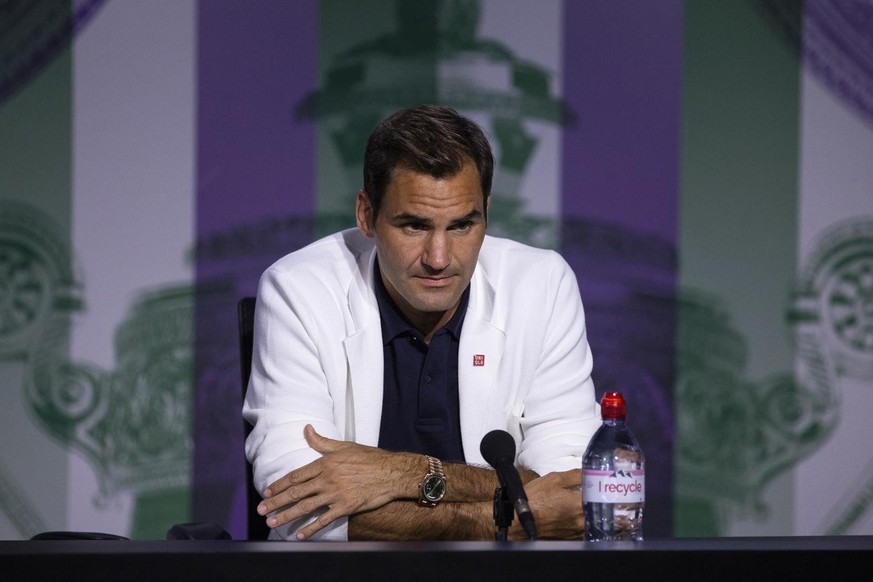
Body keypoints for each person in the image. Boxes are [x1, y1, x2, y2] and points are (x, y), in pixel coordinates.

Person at [243, 104, 601, 541]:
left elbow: (569, 495)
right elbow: (301, 511)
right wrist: (503, 516)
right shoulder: (298, 290)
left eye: (463, 225)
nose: (439, 258)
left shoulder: (542, 285)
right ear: (366, 214)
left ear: (486, 212)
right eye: (414, 225)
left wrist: (400, 474)